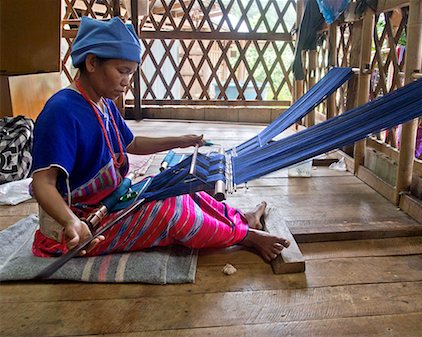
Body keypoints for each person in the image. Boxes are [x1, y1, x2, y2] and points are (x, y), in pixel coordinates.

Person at [31, 16, 290, 263]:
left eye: (131, 73)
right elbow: (43, 183)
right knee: (170, 212)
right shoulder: (61, 110)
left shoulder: (103, 104)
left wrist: (181, 140)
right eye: (122, 71)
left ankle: (240, 218)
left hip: (111, 201)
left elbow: (130, 144)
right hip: (79, 228)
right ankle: (245, 236)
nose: (127, 82)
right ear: (91, 63)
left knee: (178, 185)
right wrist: (70, 223)